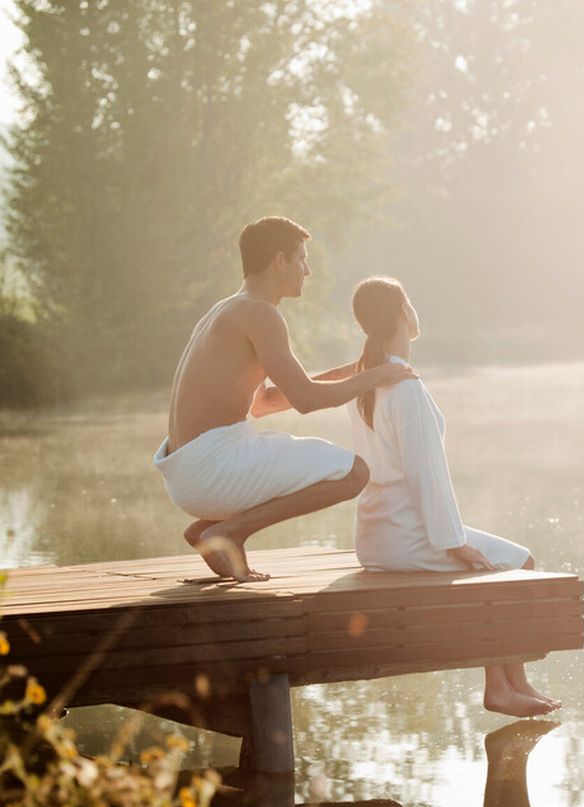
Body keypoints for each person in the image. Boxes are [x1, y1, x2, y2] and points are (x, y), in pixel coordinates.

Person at [153, 217, 418, 582]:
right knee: (355, 473)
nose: (307, 271)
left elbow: (262, 404)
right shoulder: (261, 314)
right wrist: (375, 376)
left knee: (321, 461)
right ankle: (227, 531)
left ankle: (209, 528)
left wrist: (347, 373)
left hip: (187, 473)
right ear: (280, 261)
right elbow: (307, 400)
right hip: (212, 466)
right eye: (302, 260)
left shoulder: (230, 309)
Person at [344, 276, 559, 717]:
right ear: (404, 313)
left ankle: (515, 682)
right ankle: (500, 686)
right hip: (407, 534)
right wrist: (453, 542)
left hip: (376, 533)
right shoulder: (404, 388)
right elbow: (427, 475)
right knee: (519, 564)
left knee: (508, 562)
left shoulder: (365, 382)